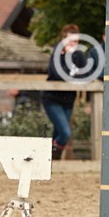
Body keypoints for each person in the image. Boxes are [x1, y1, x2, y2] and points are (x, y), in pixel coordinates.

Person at [42, 24, 90, 160]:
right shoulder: (57, 54)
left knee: (57, 133)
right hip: (52, 98)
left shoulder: (79, 55)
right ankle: (52, 158)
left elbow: (87, 74)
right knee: (65, 133)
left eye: (75, 41)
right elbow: (57, 74)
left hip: (68, 100)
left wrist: (73, 77)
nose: (73, 44)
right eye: (70, 40)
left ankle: (48, 163)